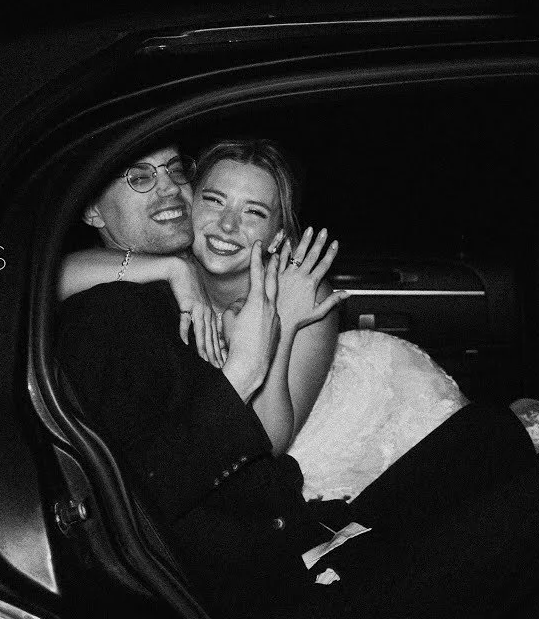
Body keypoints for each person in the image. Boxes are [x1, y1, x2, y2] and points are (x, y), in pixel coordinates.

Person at [55, 143, 539, 618]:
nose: (168, 190)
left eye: (174, 173)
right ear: (89, 209)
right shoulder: (112, 319)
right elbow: (140, 496)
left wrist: (256, 315)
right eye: (140, 178)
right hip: (281, 597)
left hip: (296, 543)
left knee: (491, 432)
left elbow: (41, 267)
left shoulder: (154, 291)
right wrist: (248, 361)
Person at [61, 138, 471, 501]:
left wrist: (283, 329)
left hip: (326, 431)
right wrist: (174, 269)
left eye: (254, 212)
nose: (227, 224)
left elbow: (269, 443)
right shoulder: (168, 265)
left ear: (276, 235)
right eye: (214, 201)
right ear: (192, 206)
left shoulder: (302, 296)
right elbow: (53, 276)